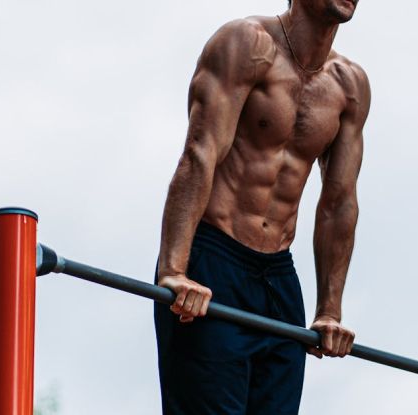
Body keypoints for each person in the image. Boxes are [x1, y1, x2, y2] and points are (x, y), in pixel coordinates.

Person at [154, 0, 370, 413]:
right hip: (213, 263)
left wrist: (330, 309)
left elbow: (339, 202)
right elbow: (201, 152)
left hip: (279, 281)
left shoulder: (349, 86)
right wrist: (175, 271)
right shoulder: (246, 44)